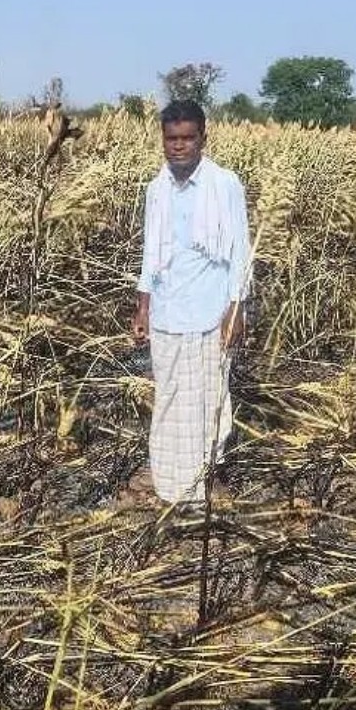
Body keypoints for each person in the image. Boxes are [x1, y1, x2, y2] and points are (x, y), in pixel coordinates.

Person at [126, 99, 252, 507]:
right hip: (166, 313)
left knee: (208, 402)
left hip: (209, 314)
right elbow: (151, 253)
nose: (179, 146)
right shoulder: (156, 189)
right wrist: (143, 306)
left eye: (188, 138)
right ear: (162, 140)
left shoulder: (225, 185)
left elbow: (240, 252)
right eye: (171, 139)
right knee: (169, 401)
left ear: (202, 138)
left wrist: (237, 308)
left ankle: (204, 478)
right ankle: (168, 483)